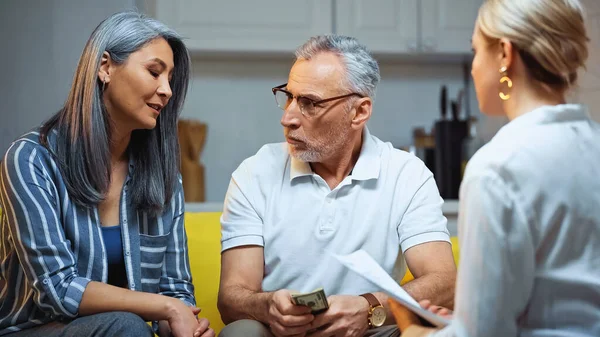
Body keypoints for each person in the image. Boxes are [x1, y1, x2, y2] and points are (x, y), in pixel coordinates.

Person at [217, 35, 457, 337]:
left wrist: (370, 309)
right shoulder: (255, 172)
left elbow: (445, 283)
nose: (287, 117)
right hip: (283, 334)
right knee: (241, 333)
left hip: (376, 331)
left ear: (359, 112)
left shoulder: (406, 174)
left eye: (309, 103)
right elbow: (230, 298)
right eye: (289, 96)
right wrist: (268, 307)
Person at [391, 0, 600, 336]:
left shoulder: (497, 167)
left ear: (504, 54)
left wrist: (414, 329)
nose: (474, 67)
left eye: (476, 51)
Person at [0, 11, 214, 337]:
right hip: (35, 329)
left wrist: (182, 325)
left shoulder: (164, 177)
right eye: (154, 72)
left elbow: (175, 288)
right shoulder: (31, 160)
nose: (167, 90)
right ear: (105, 68)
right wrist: (166, 308)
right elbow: (57, 290)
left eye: (170, 79)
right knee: (126, 325)